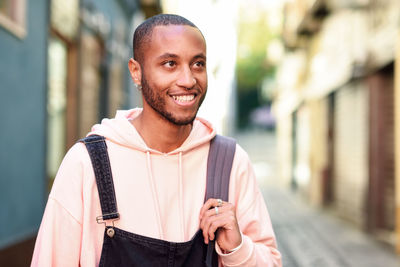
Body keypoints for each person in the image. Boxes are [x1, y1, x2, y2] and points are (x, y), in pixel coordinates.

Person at [31, 14, 282, 266]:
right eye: (170, 64)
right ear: (136, 72)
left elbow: (271, 261)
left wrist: (237, 248)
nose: (188, 80)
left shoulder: (229, 162)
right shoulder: (87, 164)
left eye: (198, 64)